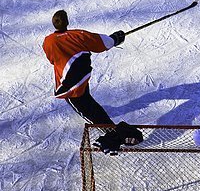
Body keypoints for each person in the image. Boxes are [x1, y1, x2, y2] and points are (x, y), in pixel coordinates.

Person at [43, 9, 142, 154]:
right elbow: (102, 43)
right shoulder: (79, 35)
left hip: (70, 88)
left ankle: (114, 133)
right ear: (67, 22)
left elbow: (52, 59)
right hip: (82, 79)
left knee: (90, 112)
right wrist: (115, 38)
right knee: (88, 101)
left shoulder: (48, 42)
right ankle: (109, 126)